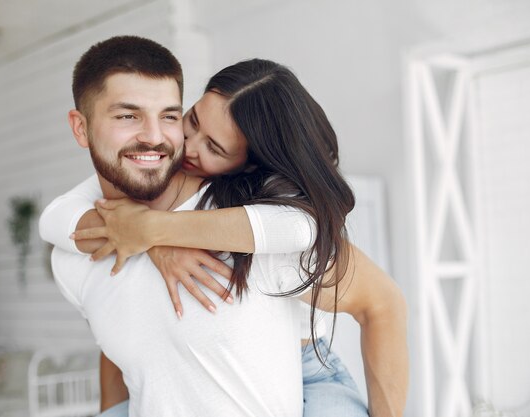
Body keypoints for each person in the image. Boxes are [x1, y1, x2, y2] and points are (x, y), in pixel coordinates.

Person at [41, 35, 407, 417]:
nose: (175, 141)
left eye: (168, 115)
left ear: (247, 163)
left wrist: (155, 230)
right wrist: (149, 239)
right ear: (81, 128)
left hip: (311, 372)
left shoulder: (250, 222)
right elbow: (128, 338)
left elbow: (374, 295)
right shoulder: (81, 247)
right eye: (188, 120)